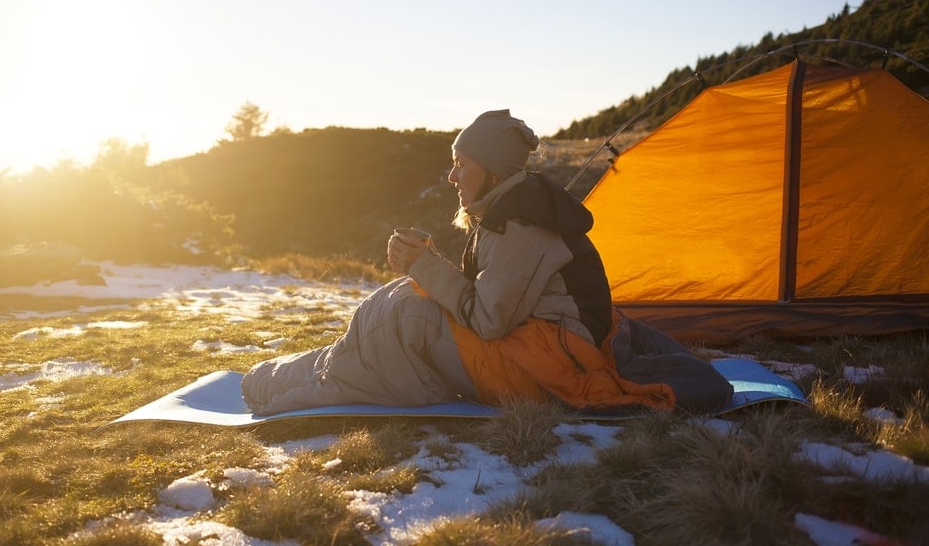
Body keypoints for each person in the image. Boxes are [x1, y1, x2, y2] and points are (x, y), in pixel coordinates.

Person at [242, 109, 732, 415]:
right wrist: (427, 266)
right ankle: (291, 376)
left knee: (405, 316)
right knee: (400, 305)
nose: (452, 175)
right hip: (543, 342)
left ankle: (284, 392)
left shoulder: (518, 225)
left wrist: (426, 266)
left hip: (545, 365)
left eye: (461, 164)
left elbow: (491, 321)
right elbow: (491, 296)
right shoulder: (508, 209)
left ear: (491, 169)